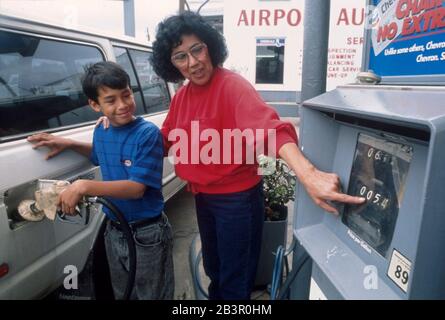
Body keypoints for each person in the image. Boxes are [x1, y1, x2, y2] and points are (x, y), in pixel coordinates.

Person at [101, 12, 365, 300]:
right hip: (203, 198)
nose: (192, 63)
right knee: (215, 270)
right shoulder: (182, 97)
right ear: (171, 63)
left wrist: (308, 173)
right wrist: (119, 125)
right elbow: (161, 141)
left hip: (236, 202)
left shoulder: (232, 86)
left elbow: (271, 131)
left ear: (210, 46)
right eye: (180, 56)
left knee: (235, 280)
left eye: (197, 49)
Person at [27, 61, 174, 300]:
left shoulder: (147, 134)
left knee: (153, 295)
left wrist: (84, 185)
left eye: (126, 95)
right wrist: (70, 143)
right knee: (123, 292)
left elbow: (137, 189)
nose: (123, 105)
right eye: (111, 100)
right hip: (114, 230)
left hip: (148, 234)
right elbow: (98, 155)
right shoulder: (102, 130)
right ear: (95, 105)